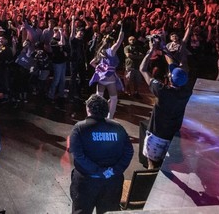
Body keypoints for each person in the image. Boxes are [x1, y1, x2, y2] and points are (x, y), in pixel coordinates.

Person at [68, 94, 133, 214]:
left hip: (87, 182)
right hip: (112, 181)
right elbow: (129, 151)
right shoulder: (118, 127)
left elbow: (78, 155)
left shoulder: (79, 128)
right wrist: (114, 170)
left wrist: (98, 171)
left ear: (88, 109)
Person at [139, 38, 192, 169]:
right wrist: (165, 49)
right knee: (167, 166)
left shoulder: (162, 91)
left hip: (157, 136)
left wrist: (151, 50)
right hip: (173, 137)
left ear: (169, 78)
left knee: (152, 164)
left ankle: (150, 180)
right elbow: (178, 66)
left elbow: (143, 69)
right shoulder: (186, 92)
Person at [88, 23, 125, 119]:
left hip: (101, 78)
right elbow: (120, 40)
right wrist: (122, 28)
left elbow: (92, 63)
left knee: (99, 97)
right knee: (114, 98)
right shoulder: (111, 50)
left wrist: (100, 69)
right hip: (110, 79)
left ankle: (97, 114)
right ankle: (110, 117)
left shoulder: (100, 51)